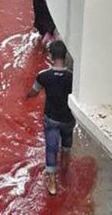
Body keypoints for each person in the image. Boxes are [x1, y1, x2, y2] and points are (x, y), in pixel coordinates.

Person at [26, 40, 75, 195]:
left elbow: (34, 92)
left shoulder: (43, 76)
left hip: (51, 118)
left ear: (51, 56)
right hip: (68, 119)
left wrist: (26, 96)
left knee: (51, 148)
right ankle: (65, 167)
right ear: (65, 56)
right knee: (66, 144)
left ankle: (52, 183)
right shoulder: (72, 78)